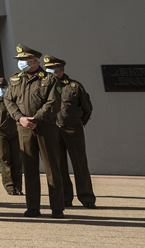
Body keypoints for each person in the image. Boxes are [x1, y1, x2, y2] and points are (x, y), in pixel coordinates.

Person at [3, 44, 64, 218]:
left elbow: (53, 103)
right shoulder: (15, 80)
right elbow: (9, 101)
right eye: (20, 60)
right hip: (24, 128)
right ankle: (32, 207)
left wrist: (36, 118)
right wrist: (20, 118)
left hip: (45, 127)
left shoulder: (49, 79)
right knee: (29, 168)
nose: (21, 63)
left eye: (24, 60)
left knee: (52, 167)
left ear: (35, 61)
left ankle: (57, 207)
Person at [44, 54, 96, 208]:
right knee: (59, 165)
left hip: (73, 129)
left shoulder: (74, 86)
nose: (51, 72)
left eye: (53, 69)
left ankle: (86, 198)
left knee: (80, 164)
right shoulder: (44, 86)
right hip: (53, 130)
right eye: (48, 69)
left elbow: (87, 108)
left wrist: (78, 123)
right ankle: (66, 197)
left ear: (60, 69)